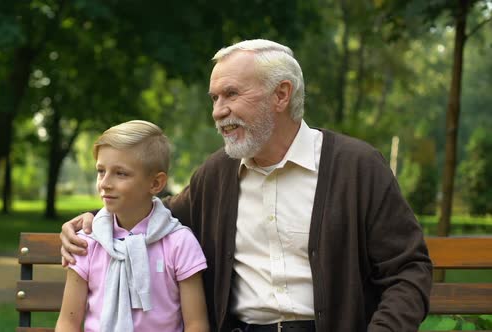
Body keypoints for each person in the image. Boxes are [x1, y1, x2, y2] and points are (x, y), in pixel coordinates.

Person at [60, 40, 432, 332]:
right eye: (215, 98)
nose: (218, 111)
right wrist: (91, 220)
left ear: (281, 95)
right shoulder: (217, 174)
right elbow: (152, 212)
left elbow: (408, 271)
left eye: (232, 94)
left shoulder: (357, 167)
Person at [55, 120, 209, 332]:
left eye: (121, 173)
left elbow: (196, 325)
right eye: (101, 171)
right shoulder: (87, 242)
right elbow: (68, 323)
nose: (105, 183)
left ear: (155, 183)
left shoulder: (179, 242)